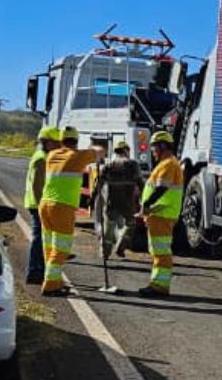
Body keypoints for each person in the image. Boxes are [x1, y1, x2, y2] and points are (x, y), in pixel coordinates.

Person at [37, 125, 96, 296]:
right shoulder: (78, 156)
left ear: (61, 141)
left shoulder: (52, 155)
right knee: (61, 248)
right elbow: (97, 152)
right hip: (62, 207)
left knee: (49, 246)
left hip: (45, 204)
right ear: (76, 141)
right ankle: (50, 285)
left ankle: (55, 280)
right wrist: (94, 146)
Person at [137, 131, 185, 299]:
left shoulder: (168, 164)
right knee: (159, 250)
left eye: (154, 147)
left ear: (163, 146)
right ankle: (158, 284)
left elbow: (161, 188)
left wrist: (147, 204)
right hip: (159, 214)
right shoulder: (168, 163)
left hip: (161, 213)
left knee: (161, 251)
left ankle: (159, 286)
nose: (152, 151)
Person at [22, 125, 60, 285]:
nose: (58, 146)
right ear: (47, 142)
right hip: (38, 204)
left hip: (39, 203)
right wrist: (41, 206)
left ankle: (39, 269)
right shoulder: (41, 159)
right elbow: (38, 185)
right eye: (55, 143)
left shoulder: (42, 156)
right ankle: (34, 272)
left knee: (42, 238)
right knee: (39, 239)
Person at [95, 140, 143, 260]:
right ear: (126, 150)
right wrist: (143, 197)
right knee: (130, 224)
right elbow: (140, 182)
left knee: (108, 227)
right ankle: (121, 246)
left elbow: (99, 183)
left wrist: (91, 198)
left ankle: (104, 253)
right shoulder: (133, 164)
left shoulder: (109, 165)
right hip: (127, 201)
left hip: (112, 201)